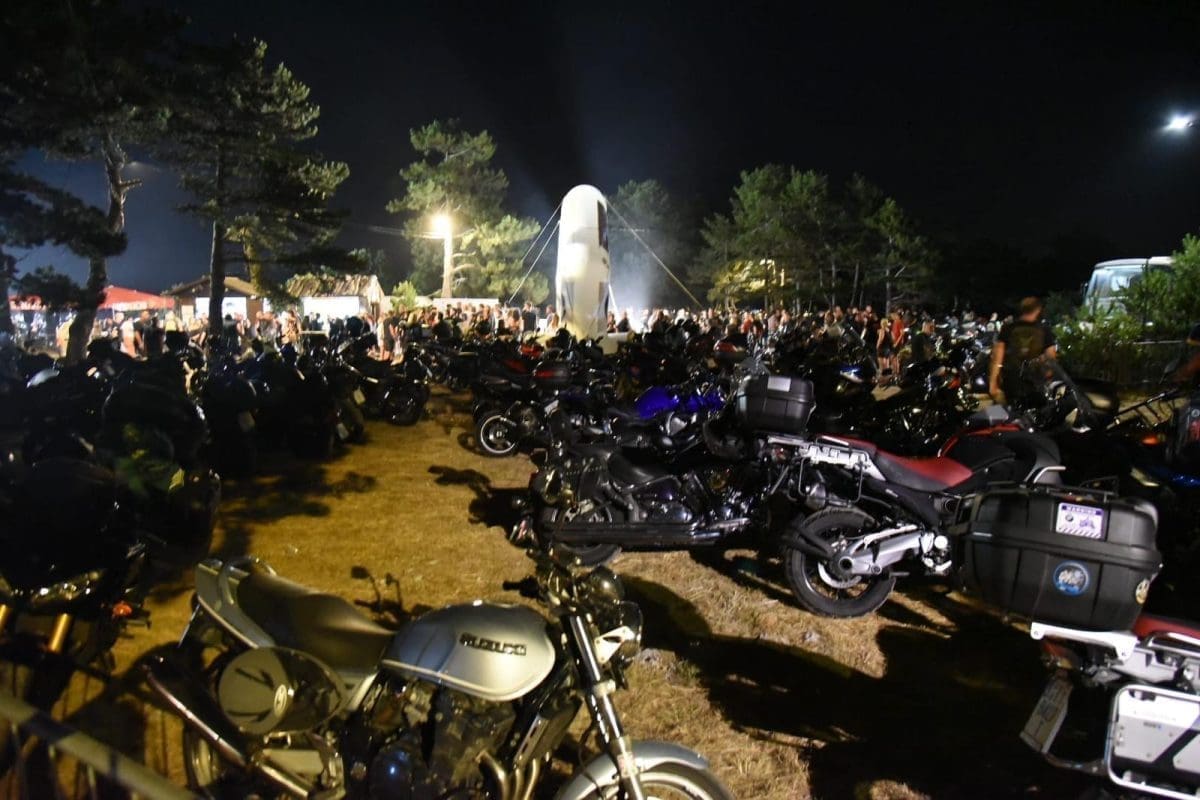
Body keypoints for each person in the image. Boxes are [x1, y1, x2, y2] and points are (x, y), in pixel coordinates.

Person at [989, 296, 1057, 405]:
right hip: (1035, 382)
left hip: (1011, 380)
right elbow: (1051, 357)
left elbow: (997, 357)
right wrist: (1048, 377)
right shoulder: (1044, 330)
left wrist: (993, 383)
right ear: (1038, 310)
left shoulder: (1008, 328)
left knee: (1007, 412)